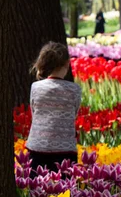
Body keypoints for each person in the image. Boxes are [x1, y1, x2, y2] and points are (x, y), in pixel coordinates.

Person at [26, 42, 81, 176]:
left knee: (38, 190)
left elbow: (35, 113)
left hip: (37, 146)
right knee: (64, 191)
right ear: (67, 64)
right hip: (65, 149)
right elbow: (74, 113)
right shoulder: (74, 90)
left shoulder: (36, 87)